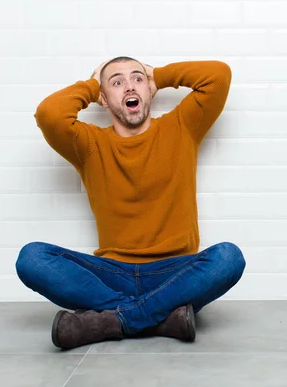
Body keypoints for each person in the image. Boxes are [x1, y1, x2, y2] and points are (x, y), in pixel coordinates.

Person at [15, 57, 245, 350]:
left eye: (137, 79)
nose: (128, 87)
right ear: (104, 99)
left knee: (228, 257)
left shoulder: (182, 126)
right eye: (116, 82)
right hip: (113, 274)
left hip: (174, 273)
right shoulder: (88, 144)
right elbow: (49, 114)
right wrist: (90, 86)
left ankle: (116, 319)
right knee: (31, 258)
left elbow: (218, 75)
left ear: (149, 90)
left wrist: (157, 75)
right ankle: (158, 318)